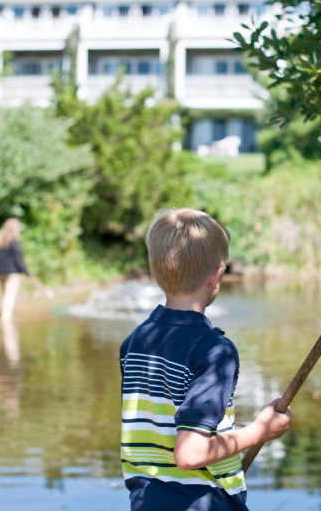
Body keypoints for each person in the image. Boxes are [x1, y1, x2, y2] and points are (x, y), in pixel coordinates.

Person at [120, 208, 292, 510]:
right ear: (216, 277)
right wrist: (259, 431)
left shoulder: (135, 342)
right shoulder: (214, 351)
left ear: (156, 271)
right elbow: (190, 454)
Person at [0, 218, 30, 321]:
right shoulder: (15, 243)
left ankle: (4, 317)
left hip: (0, 273)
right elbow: (19, 261)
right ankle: (6, 320)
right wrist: (27, 273)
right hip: (12, 273)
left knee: (5, 295)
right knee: (9, 297)